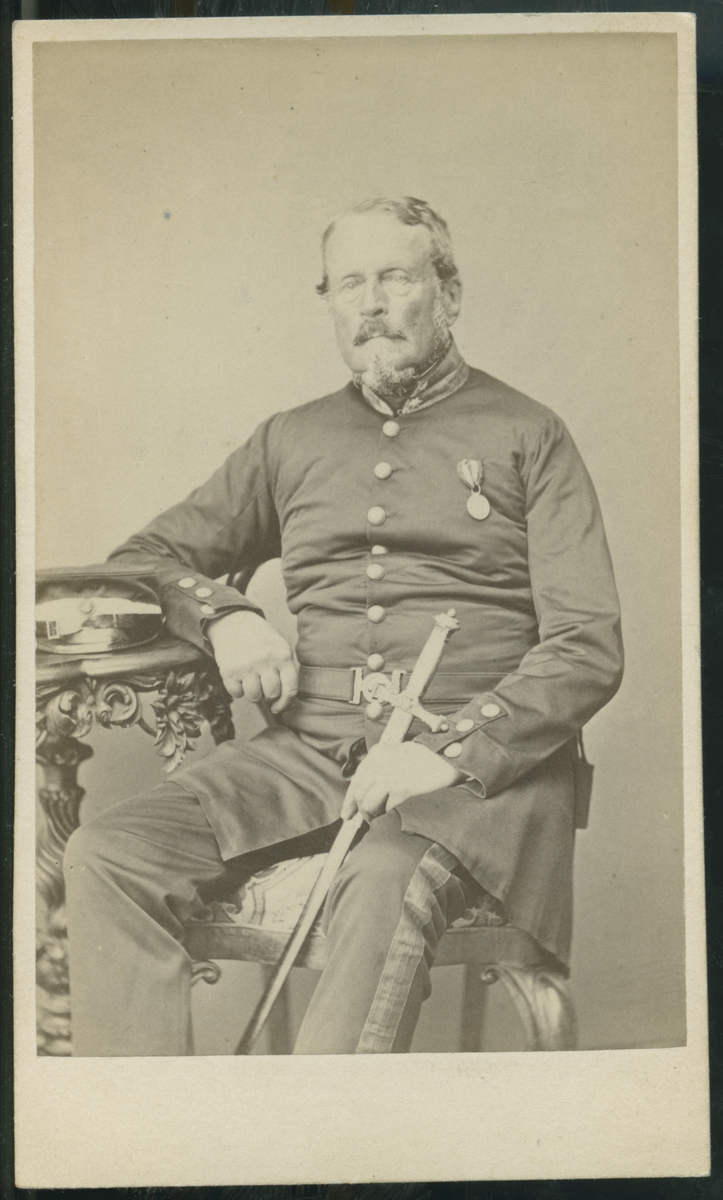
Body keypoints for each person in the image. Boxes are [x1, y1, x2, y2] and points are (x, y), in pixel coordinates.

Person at [63, 196, 623, 1056]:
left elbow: (586, 646)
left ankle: (320, 1136)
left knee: (379, 876)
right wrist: (226, 616)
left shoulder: (527, 433)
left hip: (477, 781)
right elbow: (143, 559)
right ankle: (149, 1127)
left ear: (448, 293)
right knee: (109, 852)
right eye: (349, 284)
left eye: (395, 278)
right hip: (305, 756)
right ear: (327, 301)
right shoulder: (291, 439)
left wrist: (444, 753)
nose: (371, 304)